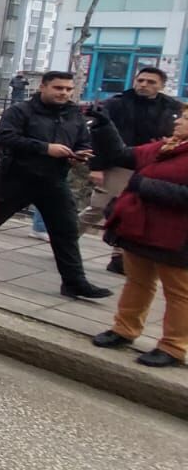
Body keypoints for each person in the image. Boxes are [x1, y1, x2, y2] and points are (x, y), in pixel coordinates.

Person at [0, 71, 112, 299]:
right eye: (58, 88)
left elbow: (83, 140)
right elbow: (4, 138)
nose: (64, 93)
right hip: (15, 179)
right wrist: (45, 148)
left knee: (66, 231)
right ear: (43, 87)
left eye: (68, 89)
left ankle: (74, 282)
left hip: (54, 181)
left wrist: (80, 153)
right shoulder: (20, 111)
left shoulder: (74, 115)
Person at [88, 106, 188, 368]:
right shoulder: (166, 148)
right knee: (137, 282)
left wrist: (144, 186)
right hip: (141, 228)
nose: (178, 121)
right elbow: (122, 154)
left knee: (179, 293)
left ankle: (173, 346)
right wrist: (104, 125)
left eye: (186, 119)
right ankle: (124, 329)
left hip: (177, 236)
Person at [94, 67, 183, 273]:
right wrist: (97, 167)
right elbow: (99, 137)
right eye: (141, 80)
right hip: (121, 162)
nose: (144, 85)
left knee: (129, 209)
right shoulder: (116, 104)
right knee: (100, 206)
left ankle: (118, 257)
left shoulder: (172, 107)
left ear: (161, 85)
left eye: (151, 82)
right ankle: (67, 237)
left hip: (152, 164)